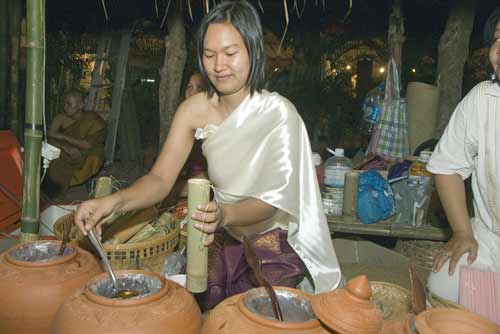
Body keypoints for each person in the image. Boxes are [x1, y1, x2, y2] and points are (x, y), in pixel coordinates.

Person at [74, 0, 341, 306]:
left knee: (258, 312)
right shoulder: (193, 110)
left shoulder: (278, 114)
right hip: (223, 233)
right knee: (199, 304)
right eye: (209, 54)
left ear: (253, 52)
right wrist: (112, 202)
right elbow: (161, 179)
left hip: (272, 239)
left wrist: (225, 214)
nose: (218, 66)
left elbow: (271, 201)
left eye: (230, 53)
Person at [426, 7, 500, 302]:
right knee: (445, 282)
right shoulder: (483, 100)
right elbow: (446, 167)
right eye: (497, 38)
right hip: (491, 239)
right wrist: (462, 232)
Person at [43, 90, 106, 197]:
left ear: (81, 105)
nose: (65, 107)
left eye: (69, 104)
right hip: (66, 151)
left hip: (85, 151)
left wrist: (63, 136)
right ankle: (56, 190)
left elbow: (87, 144)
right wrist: (65, 147)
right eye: (64, 103)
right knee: (54, 153)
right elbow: (49, 138)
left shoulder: (92, 119)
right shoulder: (60, 118)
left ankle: (87, 181)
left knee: (96, 154)